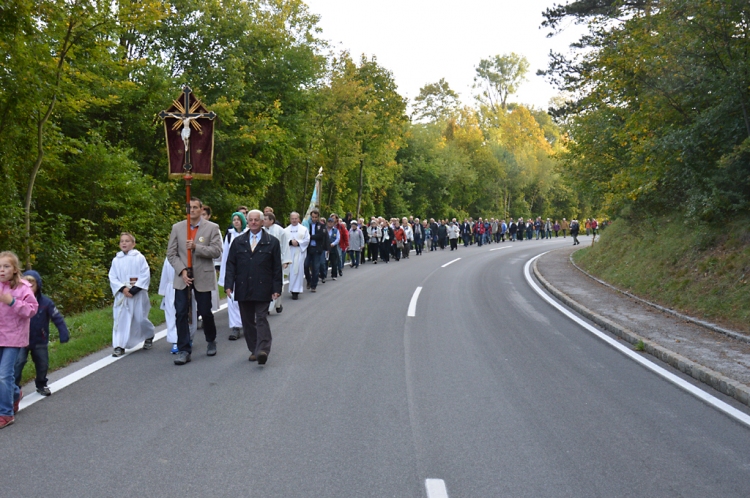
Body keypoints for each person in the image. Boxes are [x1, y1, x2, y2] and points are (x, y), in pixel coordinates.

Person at [167, 197, 223, 365]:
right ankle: (184, 349)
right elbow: (171, 253)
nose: (192, 210)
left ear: (200, 209)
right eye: (189, 207)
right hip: (183, 275)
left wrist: (197, 248)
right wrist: (182, 270)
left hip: (202, 275)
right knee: (181, 311)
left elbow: (216, 251)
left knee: (205, 311)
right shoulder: (177, 228)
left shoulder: (212, 228)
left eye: (195, 207)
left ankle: (211, 339)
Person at [224, 210, 282, 366]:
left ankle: (263, 349)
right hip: (243, 286)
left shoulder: (272, 242)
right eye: (251, 220)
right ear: (247, 222)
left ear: (263, 222)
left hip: (264, 287)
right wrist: (228, 285)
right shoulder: (238, 242)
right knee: (247, 320)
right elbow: (231, 265)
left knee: (261, 317)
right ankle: (254, 349)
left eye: (257, 220)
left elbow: (277, 268)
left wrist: (277, 288)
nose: (254, 222)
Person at [14, 270, 69, 397]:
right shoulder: (17, 301)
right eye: (26, 282)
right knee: (18, 363)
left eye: (32, 282)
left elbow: (57, 318)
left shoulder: (46, 303)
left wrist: (63, 332)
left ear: (38, 285)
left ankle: (41, 384)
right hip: (21, 340)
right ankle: (15, 389)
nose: (29, 285)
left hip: (40, 340)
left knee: (42, 363)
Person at [0, 251, 38, 429]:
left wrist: (12, 302)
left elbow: (32, 310)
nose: (2, 270)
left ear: (15, 269)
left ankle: (6, 413)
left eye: (6, 266)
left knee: (4, 375)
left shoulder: (23, 288)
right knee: (3, 377)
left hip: (13, 337)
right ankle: (15, 394)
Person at [108, 233, 155, 358]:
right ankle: (119, 345)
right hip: (123, 295)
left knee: (140, 318)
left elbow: (145, 274)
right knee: (120, 319)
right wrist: (122, 288)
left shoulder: (139, 257)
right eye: (122, 241)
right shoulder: (116, 260)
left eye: (127, 241)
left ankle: (149, 334)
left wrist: (135, 289)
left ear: (133, 244)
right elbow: (112, 277)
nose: (124, 243)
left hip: (138, 293)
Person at [158, 257, 197, 354]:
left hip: (186, 287)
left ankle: (189, 337)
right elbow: (165, 276)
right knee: (172, 315)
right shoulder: (169, 259)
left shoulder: (188, 256)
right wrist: (163, 293)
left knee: (188, 314)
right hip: (171, 289)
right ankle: (175, 340)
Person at [218, 212, 248, 340]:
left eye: (238, 219)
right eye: (234, 220)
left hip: (246, 271)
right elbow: (225, 255)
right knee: (232, 298)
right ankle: (235, 327)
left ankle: (247, 324)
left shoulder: (248, 233)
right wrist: (224, 273)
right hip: (233, 271)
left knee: (246, 299)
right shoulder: (230, 235)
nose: (236, 222)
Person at [263, 212, 291, 313]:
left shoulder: (280, 231)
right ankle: (269, 306)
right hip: (265, 261)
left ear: (272, 220)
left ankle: (276, 304)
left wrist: (286, 261)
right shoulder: (261, 231)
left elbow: (285, 246)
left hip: (277, 260)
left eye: (265, 219)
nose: (263, 221)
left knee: (277, 283)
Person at [283, 212, 310, 300]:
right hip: (289, 252)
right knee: (291, 270)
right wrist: (290, 242)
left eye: (296, 218)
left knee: (298, 270)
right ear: (290, 219)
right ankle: (292, 289)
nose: (294, 220)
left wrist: (298, 243)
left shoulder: (304, 229)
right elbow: (282, 241)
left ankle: (296, 291)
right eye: (292, 218)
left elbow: (307, 240)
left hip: (299, 252)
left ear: (298, 219)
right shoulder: (285, 230)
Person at [304, 209, 327, 292]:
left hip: (317, 249)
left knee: (315, 267)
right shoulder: (307, 225)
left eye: (315, 217)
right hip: (309, 248)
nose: (314, 219)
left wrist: (310, 237)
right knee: (306, 265)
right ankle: (309, 280)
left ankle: (314, 285)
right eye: (313, 217)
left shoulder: (321, 225)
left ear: (318, 217)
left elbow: (321, 235)